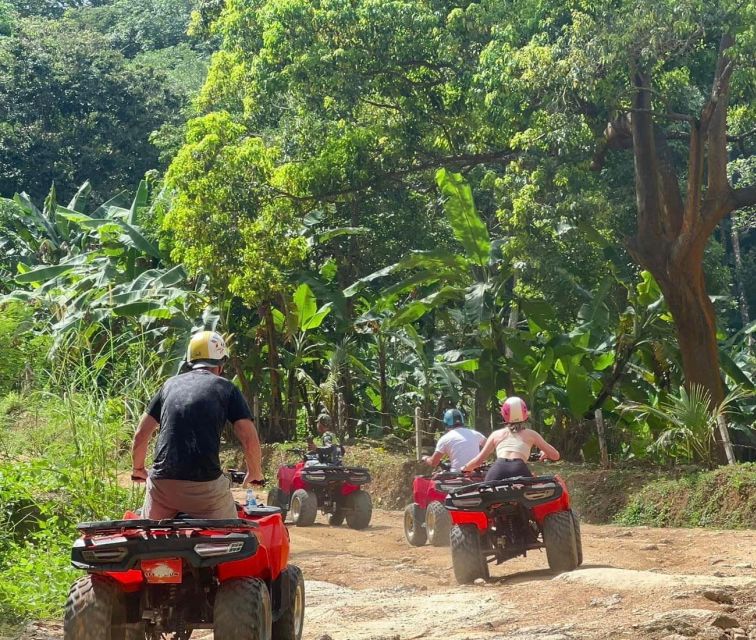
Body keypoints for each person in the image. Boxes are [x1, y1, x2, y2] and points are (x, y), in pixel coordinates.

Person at [131, 331, 264, 519]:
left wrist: (138, 469)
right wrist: (255, 472)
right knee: (232, 537)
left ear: (190, 361)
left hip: (163, 487)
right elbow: (249, 438)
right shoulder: (227, 388)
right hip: (206, 490)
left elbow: (140, 435)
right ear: (220, 364)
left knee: (148, 536)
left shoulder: (168, 385)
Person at [461, 396, 560, 481]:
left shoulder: (496, 435)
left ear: (504, 414)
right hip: (520, 469)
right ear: (525, 414)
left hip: (498, 469)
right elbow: (555, 456)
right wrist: (545, 453)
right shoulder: (532, 434)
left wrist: (464, 468)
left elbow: (478, 461)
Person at [422, 408, 486, 472]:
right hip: (475, 474)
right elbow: (490, 446)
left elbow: (433, 462)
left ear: (446, 423)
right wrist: (481, 458)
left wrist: (425, 458)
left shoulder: (445, 438)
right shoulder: (475, 434)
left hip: (457, 474)